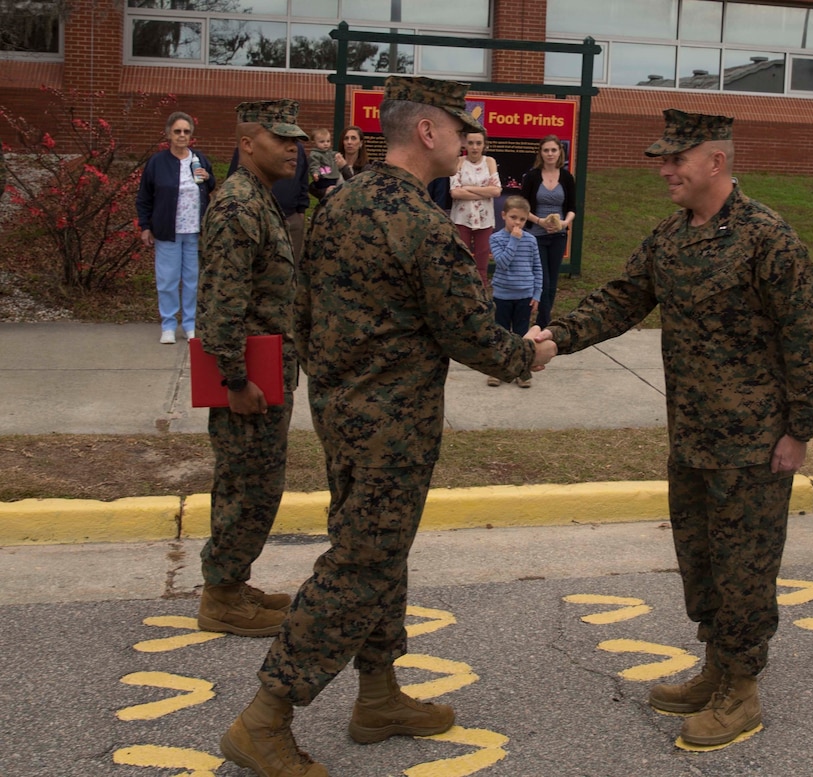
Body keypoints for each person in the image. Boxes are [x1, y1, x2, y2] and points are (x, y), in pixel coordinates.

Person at [218, 75, 557, 777]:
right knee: (362, 561)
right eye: (455, 125)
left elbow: (300, 310)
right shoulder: (421, 224)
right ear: (425, 133)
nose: (467, 136)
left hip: (340, 412)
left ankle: (379, 696)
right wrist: (526, 354)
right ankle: (265, 716)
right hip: (393, 425)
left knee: (378, 550)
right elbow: (471, 331)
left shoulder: (338, 203)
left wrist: (337, 386)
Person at [536, 109, 813, 748]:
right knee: (700, 560)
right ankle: (716, 669)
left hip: (753, 444)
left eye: (676, 159)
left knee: (745, 567)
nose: (665, 169)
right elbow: (622, 297)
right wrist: (557, 338)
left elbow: (812, 334)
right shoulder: (671, 237)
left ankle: (742, 689)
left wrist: (800, 428)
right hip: (693, 437)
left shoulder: (766, 238)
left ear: (717, 162)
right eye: (662, 159)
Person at [194, 99, 309, 640]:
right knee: (245, 485)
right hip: (248, 381)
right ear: (246, 143)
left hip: (267, 373)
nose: (293, 147)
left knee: (257, 484)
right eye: (280, 138)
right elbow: (221, 303)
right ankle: (220, 595)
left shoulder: (260, 199)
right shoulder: (239, 206)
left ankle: (233, 582)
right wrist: (234, 382)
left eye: (296, 138)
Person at [136, 111, 215, 344]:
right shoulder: (157, 162)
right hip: (167, 231)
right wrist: (145, 226)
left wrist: (208, 177)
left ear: (191, 135)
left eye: (186, 131)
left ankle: (190, 324)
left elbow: (209, 187)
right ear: (169, 134)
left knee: (192, 280)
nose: (182, 135)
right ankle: (168, 324)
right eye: (177, 131)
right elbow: (144, 197)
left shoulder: (198, 159)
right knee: (168, 280)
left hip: (194, 231)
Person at [487, 194, 542, 388]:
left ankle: (521, 370)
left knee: (521, 335)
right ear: (503, 215)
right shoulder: (495, 238)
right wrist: (513, 240)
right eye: (513, 217)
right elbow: (502, 263)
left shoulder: (531, 240)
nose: (517, 222)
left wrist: (537, 294)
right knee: (500, 333)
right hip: (502, 295)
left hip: (524, 295)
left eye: (522, 219)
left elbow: (537, 268)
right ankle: (498, 370)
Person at [522, 134, 576, 327]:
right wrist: (540, 221)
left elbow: (572, 208)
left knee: (552, 282)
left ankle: (543, 322)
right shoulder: (532, 176)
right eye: (546, 150)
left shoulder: (567, 177)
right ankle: (540, 325)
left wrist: (563, 223)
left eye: (554, 150)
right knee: (542, 281)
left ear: (559, 152)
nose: (550, 154)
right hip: (536, 235)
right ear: (541, 153)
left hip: (559, 235)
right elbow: (523, 207)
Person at [228, 138, 309, 262]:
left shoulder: (298, 149)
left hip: (291, 217)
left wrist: (301, 210)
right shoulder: (253, 146)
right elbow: (233, 181)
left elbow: (303, 179)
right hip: (259, 218)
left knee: (291, 267)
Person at [450, 128, 501, 286]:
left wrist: (467, 188)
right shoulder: (458, 162)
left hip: (484, 219)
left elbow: (496, 190)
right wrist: (485, 192)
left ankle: (482, 295)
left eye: (478, 143)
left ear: (484, 145)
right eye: (471, 143)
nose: (474, 147)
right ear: (465, 144)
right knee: (461, 261)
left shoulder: (489, 162)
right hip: (461, 218)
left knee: (482, 262)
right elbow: (454, 192)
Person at [306, 127, 342, 200]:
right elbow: (314, 165)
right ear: (314, 142)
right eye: (322, 142)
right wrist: (315, 173)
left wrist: (337, 154)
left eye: (328, 141)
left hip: (332, 177)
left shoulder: (328, 152)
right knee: (329, 196)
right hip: (324, 178)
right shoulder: (315, 154)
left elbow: (332, 153)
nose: (326, 144)